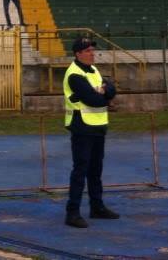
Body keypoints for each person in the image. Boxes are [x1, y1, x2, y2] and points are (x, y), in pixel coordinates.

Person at [63, 36, 119, 228]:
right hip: (82, 126)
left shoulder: (93, 70)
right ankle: (72, 213)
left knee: (95, 170)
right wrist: (105, 97)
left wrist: (105, 92)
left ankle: (97, 207)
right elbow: (92, 100)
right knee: (81, 170)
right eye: (88, 51)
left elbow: (111, 88)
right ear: (78, 54)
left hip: (98, 126)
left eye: (92, 50)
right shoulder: (74, 74)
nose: (92, 53)